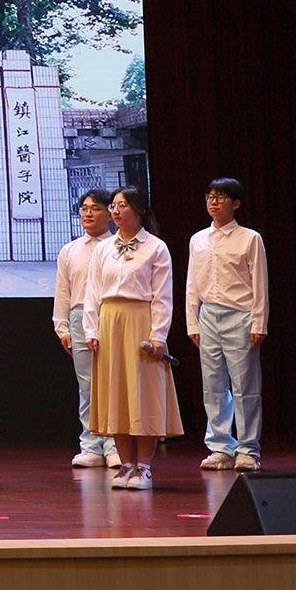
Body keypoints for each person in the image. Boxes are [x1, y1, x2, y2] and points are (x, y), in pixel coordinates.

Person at [85, 187, 186, 491]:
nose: (115, 211)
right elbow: (93, 292)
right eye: (113, 206)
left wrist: (158, 335)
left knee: (144, 395)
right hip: (110, 322)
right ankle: (125, 464)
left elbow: (162, 295)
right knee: (116, 394)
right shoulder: (103, 248)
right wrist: (91, 330)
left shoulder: (155, 248)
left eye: (122, 205)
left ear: (139, 209)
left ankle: (144, 467)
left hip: (141, 321)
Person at [187, 177, 268, 471]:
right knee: (213, 385)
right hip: (208, 315)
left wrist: (259, 323)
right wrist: (192, 322)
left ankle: (248, 449)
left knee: (245, 385)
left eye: (221, 197)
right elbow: (192, 284)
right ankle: (220, 447)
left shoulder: (249, 238)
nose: (214, 202)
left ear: (236, 203)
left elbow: (259, 284)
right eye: (210, 196)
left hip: (240, 315)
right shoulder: (198, 239)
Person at [53, 189, 122, 469]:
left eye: (95, 208)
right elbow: (63, 292)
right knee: (87, 386)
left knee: (114, 382)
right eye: (84, 208)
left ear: (110, 214)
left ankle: (115, 445)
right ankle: (91, 445)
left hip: (112, 315)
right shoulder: (70, 250)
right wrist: (62, 328)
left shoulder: (119, 246)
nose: (88, 213)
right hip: (80, 317)